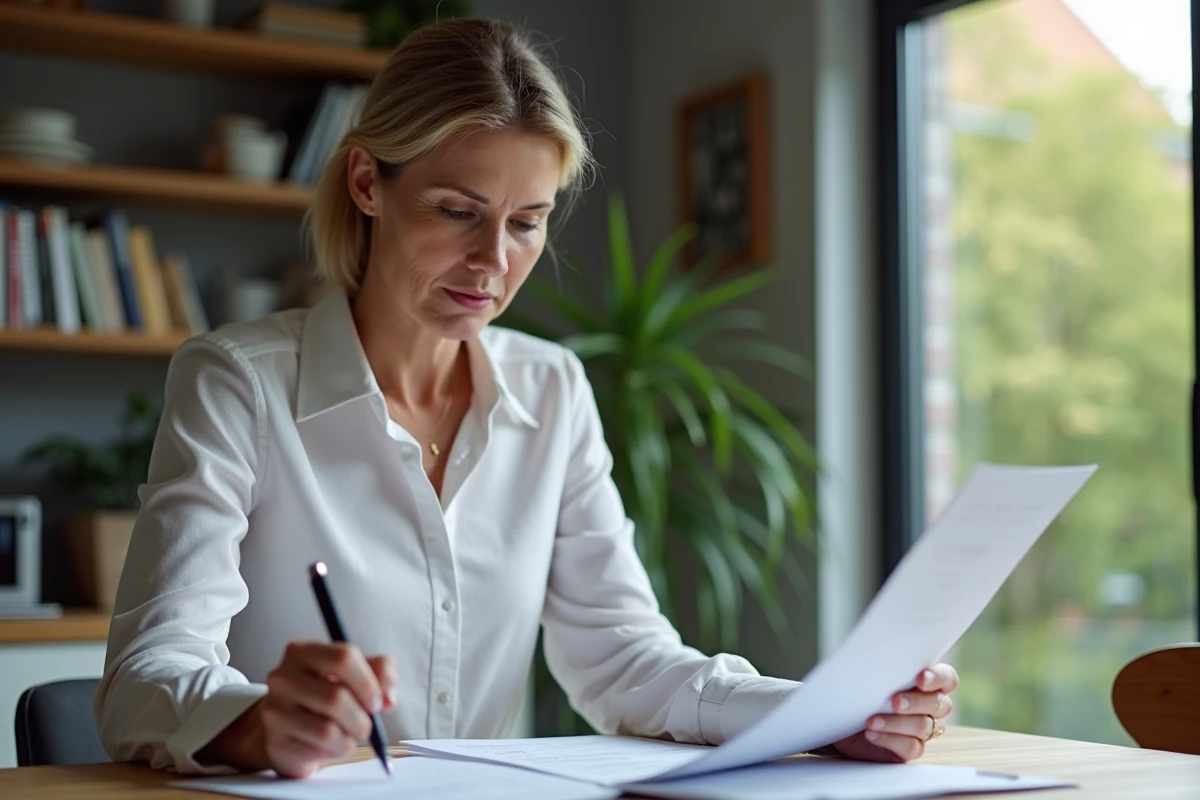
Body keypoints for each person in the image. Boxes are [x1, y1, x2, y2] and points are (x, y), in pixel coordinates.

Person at [94, 17, 958, 778]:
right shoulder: (237, 381)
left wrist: (819, 715)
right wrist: (255, 723)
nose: (493, 262)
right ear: (367, 184)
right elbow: (148, 677)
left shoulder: (552, 387)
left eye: (526, 222)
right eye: (457, 211)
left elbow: (621, 658)